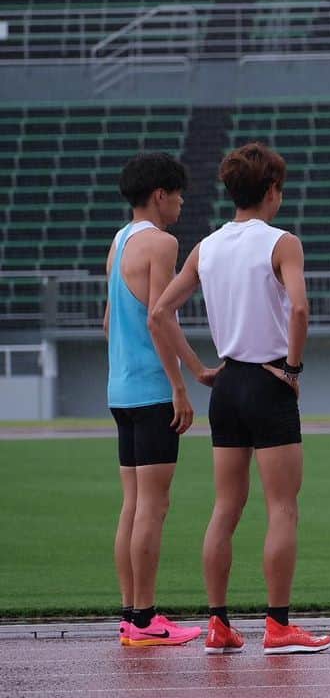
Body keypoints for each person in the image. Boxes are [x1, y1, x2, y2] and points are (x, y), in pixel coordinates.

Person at [149, 142, 330, 655]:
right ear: (272, 190)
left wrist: (200, 371)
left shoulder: (207, 246)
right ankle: (278, 625)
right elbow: (299, 310)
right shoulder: (282, 242)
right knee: (283, 508)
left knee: (225, 508)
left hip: (225, 387)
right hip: (270, 381)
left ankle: (218, 623)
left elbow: (160, 313)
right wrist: (293, 370)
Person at [106, 152, 213, 647]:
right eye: (178, 194)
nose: (182, 202)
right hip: (151, 393)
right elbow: (159, 318)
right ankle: (147, 621)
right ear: (159, 196)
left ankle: (132, 616)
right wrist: (185, 380)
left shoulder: (118, 242)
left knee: (133, 505)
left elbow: (110, 322)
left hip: (121, 391)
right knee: (153, 507)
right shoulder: (162, 243)